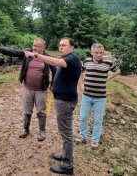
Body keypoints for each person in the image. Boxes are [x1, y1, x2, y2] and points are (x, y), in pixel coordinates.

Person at [25, 37, 81, 175]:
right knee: (64, 131)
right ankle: (64, 154)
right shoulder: (68, 59)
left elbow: (55, 62)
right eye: (59, 45)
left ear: (71, 48)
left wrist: (36, 54)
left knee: (66, 133)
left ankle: (67, 165)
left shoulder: (72, 58)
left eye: (64, 45)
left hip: (65, 101)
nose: (60, 47)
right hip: (62, 100)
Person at [0, 38, 56, 141]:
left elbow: (55, 70)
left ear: (43, 47)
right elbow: (14, 52)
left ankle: (42, 131)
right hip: (27, 88)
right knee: (27, 110)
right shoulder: (27, 53)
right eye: (33, 45)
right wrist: (0, 49)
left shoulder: (47, 57)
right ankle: (25, 129)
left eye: (37, 46)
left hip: (41, 90)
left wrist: (53, 84)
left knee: (41, 111)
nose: (34, 47)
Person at [77, 43, 121, 148]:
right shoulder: (87, 61)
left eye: (101, 53)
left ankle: (95, 140)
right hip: (87, 96)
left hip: (100, 97)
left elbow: (118, 71)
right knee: (83, 117)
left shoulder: (108, 62)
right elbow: (80, 71)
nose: (99, 55)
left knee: (98, 120)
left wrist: (108, 78)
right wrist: (81, 84)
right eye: (96, 52)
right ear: (92, 52)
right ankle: (82, 137)